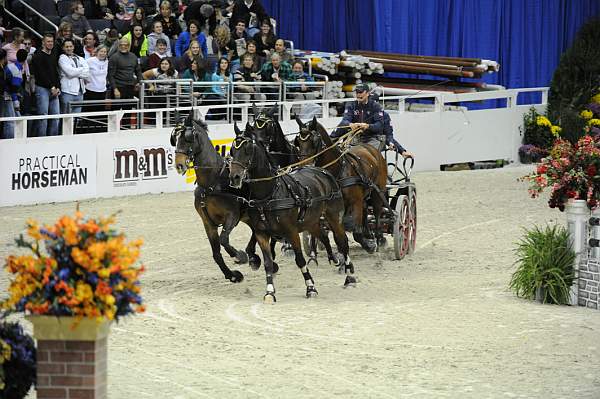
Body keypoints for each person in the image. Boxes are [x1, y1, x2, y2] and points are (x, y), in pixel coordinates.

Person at [331, 83, 385, 151]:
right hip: (355, 137)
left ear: (367, 93)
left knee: (366, 153)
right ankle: (331, 140)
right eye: (357, 92)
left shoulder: (375, 106)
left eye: (361, 92)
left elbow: (380, 125)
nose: (358, 94)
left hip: (372, 138)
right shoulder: (351, 105)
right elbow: (345, 121)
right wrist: (350, 124)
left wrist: (368, 126)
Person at [31, 34, 61, 136]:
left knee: (56, 116)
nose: (50, 43)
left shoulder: (53, 54)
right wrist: (51, 87)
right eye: (48, 41)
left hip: (54, 89)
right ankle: (41, 140)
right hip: (42, 89)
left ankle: (53, 140)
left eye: (52, 41)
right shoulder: (38, 55)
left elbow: (55, 72)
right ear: (43, 42)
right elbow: (41, 74)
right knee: (43, 117)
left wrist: (58, 87)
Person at [108, 37, 142, 127]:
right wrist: (115, 89)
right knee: (115, 112)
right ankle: (112, 131)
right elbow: (110, 75)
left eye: (125, 45)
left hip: (130, 88)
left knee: (128, 112)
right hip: (118, 87)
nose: (123, 46)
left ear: (129, 46)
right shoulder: (114, 57)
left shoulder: (133, 56)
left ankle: (125, 131)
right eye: (121, 45)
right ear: (118, 46)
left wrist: (139, 82)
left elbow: (138, 71)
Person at [58, 38, 90, 115]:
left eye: (70, 46)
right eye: (67, 47)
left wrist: (75, 70)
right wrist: (82, 69)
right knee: (66, 117)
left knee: (77, 118)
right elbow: (70, 73)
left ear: (73, 47)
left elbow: (87, 73)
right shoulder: (62, 58)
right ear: (63, 48)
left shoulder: (80, 58)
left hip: (80, 92)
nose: (69, 48)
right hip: (67, 92)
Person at [84, 45, 109, 132]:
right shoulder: (90, 61)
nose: (103, 53)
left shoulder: (107, 62)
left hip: (102, 91)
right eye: (101, 51)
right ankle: (87, 131)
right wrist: (85, 80)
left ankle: (98, 130)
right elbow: (83, 71)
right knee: (90, 113)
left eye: (105, 52)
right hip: (90, 90)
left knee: (100, 113)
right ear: (97, 52)